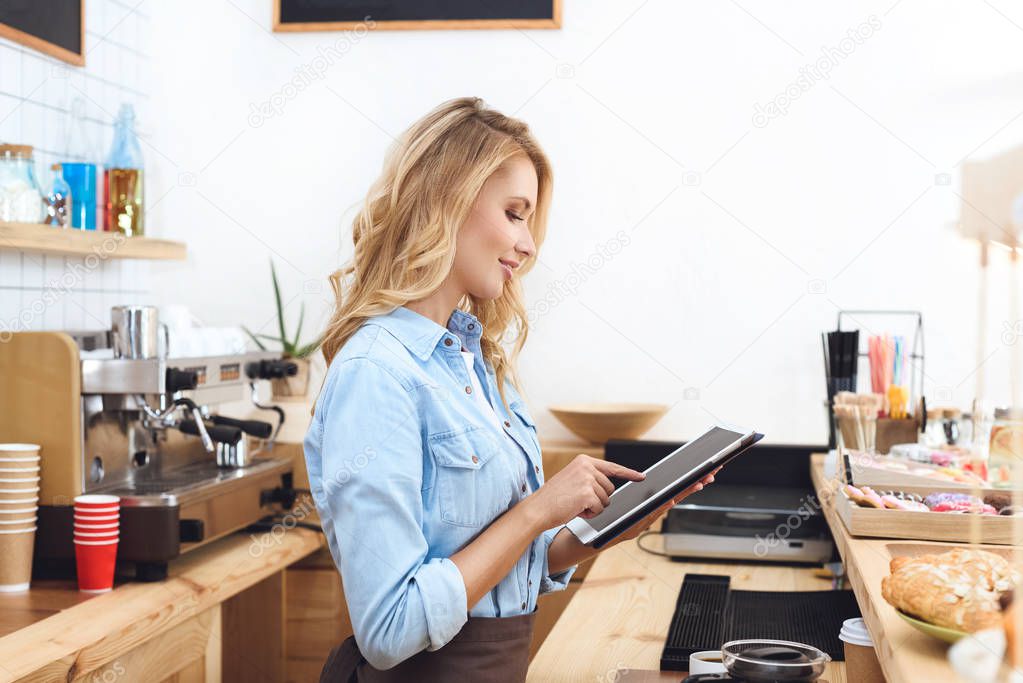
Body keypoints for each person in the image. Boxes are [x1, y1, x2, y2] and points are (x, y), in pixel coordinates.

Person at [304, 96, 718, 682]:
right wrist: (534, 511)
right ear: (448, 202)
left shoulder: (475, 362)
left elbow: (508, 568)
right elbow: (390, 629)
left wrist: (604, 529)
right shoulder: (377, 373)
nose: (529, 246)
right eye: (515, 213)